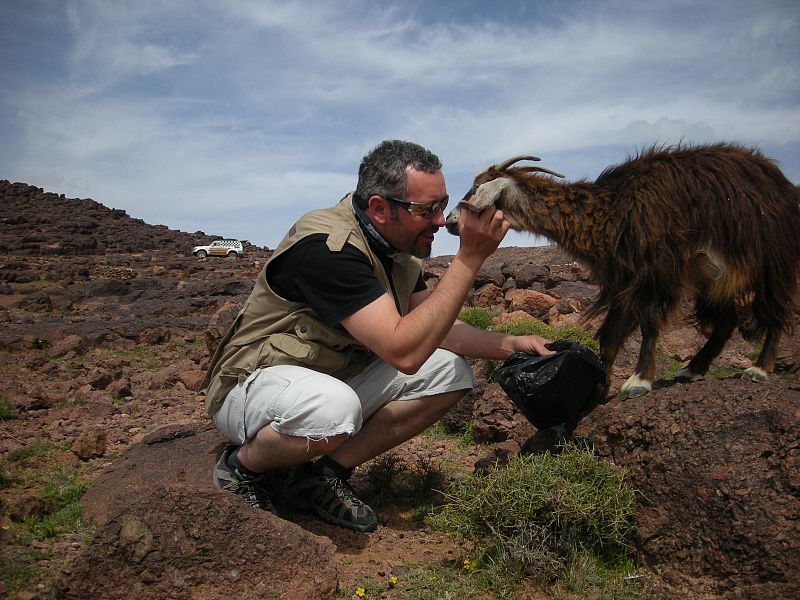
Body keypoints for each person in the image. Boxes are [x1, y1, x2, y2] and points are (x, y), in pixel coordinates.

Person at [201, 140, 552, 532]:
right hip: (253, 386)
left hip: (327, 380)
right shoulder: (329, 250)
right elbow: (404, 351)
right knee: (334, 409)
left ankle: (320, 476)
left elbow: (435, 329)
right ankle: (241, 468)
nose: (441, 221)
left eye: (443, 204)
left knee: (450, 372)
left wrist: (512, 345)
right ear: (380, 208)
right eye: (427, 210)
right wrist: (469, 259)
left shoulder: (398, 250)